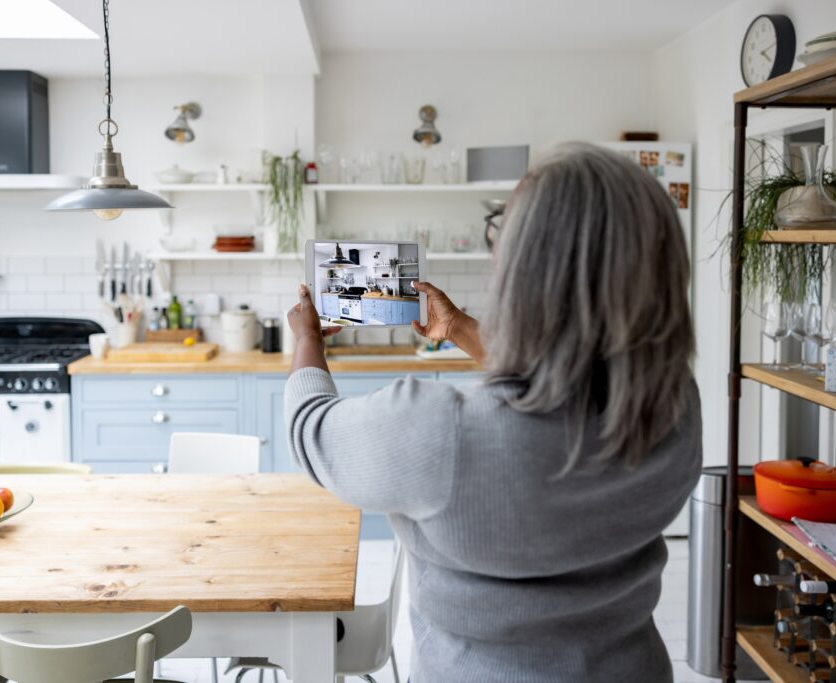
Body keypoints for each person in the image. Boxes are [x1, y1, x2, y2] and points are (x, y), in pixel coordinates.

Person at [284, 142, 701, 683]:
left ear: (524, 271)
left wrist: (306, 338)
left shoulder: (440, 431)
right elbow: (568, 374)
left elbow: (309, 427)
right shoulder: (675, 406)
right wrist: (457, 327)